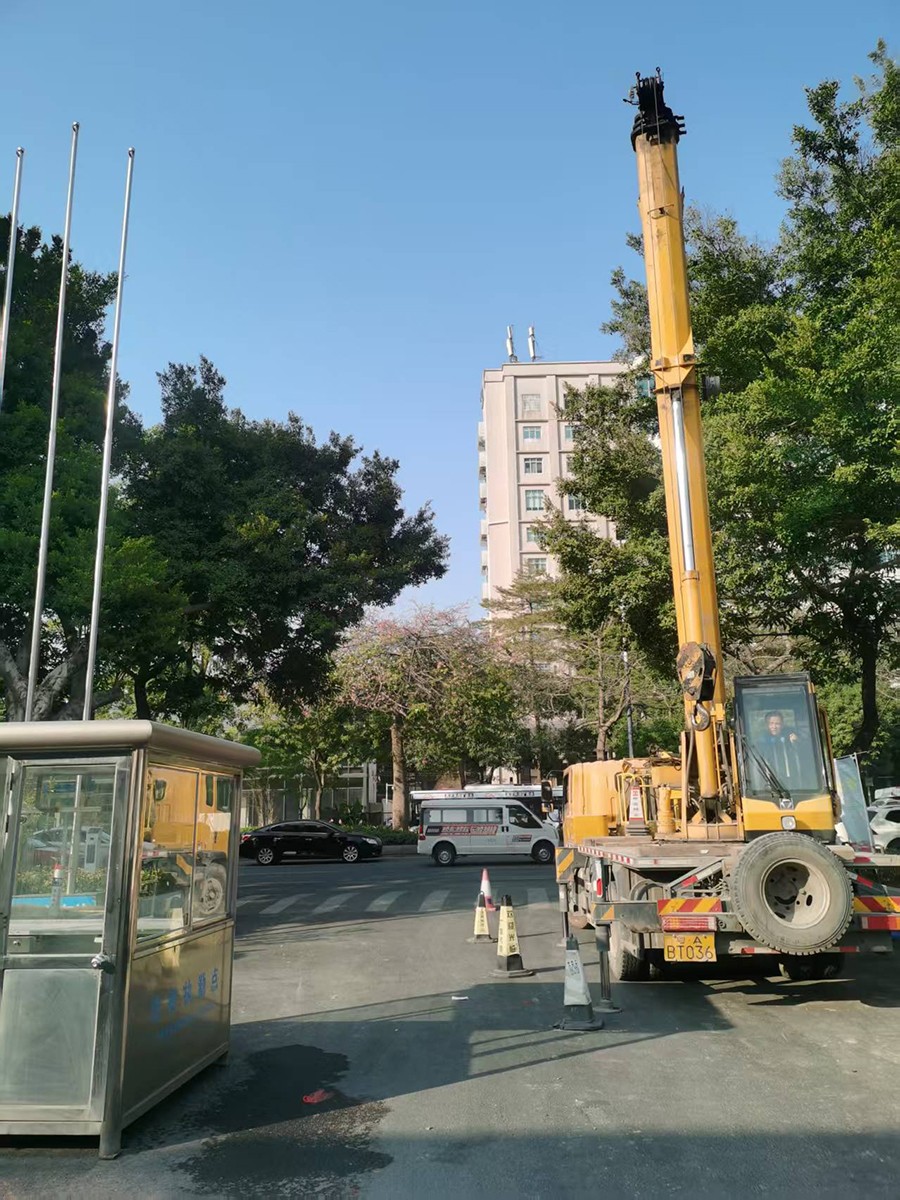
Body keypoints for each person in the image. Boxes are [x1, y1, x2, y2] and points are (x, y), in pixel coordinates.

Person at [759, 711, 800, 782]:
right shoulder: (761, 742)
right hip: (769, 779)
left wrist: (797, 742)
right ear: (766, 725)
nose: (774, 727)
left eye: (777, 724)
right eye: (771, 723)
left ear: (782, 725)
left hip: (790, 779)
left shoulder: (789, 739)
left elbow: (800, 754)